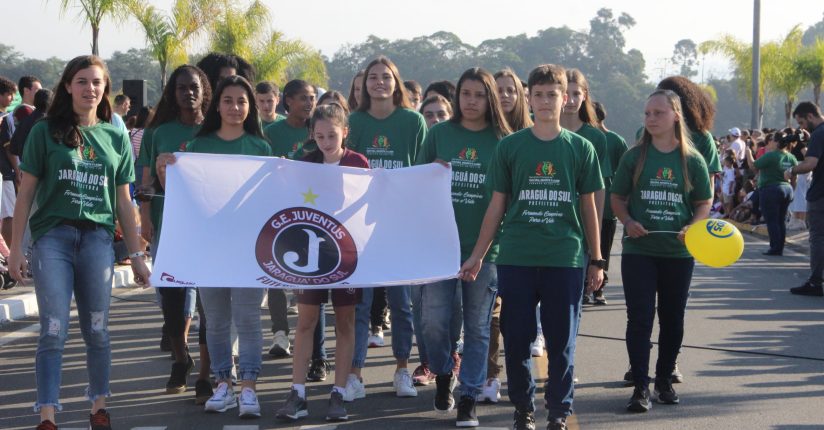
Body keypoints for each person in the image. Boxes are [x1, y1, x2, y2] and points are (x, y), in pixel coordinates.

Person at [7, 54, 151, 430]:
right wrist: (16, 248)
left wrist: (136, 254)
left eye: (97, 82)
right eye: (82, 81)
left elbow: (124, 200)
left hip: (97, 241)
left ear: (106, 89)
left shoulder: (115, 135)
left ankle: (98, 408)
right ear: (68, 86)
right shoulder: (44, 131)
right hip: (52, 239)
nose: (90, 88)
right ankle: (47, 415)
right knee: (53, 329)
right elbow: (25, 194)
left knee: (97, 329)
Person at [459, 64, 604, 430]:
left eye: (552, 95)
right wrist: (477, 255)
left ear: (566, 98)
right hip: (517, 257)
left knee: (561, 342)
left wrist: (597, 259)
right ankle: (523, 409)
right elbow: (496, 205)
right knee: (518, 340)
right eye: (538, 95)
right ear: (529, 98)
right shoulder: (510, 147)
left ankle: (558, 411)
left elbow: (589, 206)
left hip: (564, 257)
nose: (545, 101)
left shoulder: (581, 148)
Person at [157, 75, 272, 418]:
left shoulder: (261, 148)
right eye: (228, 100)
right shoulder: (197, 147)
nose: (235, 107)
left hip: (248, 250)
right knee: (217, 321)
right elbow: (181, 195)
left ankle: (249, 387)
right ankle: (223, 383)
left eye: (242, 101)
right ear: (217, 105)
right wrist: (165, 170)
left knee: (248, 319)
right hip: (209, 249)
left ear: (250, 107)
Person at [417, 67, 512, 427]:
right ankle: (444, 372)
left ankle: (469, 395)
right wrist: (431, 173)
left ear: (490, 99)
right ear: (457, 97)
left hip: (485, 251)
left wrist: (482, 252)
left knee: (478, 327)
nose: (471, 101)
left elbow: (505, 200)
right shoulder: (439, 134)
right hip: (437, 247)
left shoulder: (504, 140)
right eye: (466, 94)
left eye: (479, 95)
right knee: (433, 322)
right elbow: (414, 185)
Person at [611, 89, 712, 413]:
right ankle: (640, 386)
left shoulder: (692, 160)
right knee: (640, 318)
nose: (651, 119)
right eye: (647, 114)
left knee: (672, 319)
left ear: (675, 116)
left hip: (677, 254)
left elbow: (703, 202)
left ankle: (664, 379)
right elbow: (617, 198)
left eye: (658, 113)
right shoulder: (634, 157)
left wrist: (693, 226)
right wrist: (628, 221)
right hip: (639, 251)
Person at [275, 103, 368, 422]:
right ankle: (297, 393)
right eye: (319, 136)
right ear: (312, 135)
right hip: (310, 256)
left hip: (346, 255)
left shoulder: (357, 162)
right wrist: (282, 173)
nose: (326, 142)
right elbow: (289, 198)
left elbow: (370, 203)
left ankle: (338, 392)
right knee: (305, 322)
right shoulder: (306, 163)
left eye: (332, 135)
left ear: (345, 132)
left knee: (345, 323)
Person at [344, 55, 427, 401]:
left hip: (399, 228)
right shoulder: (354, 121)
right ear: (364, 85)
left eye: (386, 76)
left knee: (402, 305)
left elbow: (423, 172)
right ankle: (354, 375)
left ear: (396, 83)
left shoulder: (413, 121)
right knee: (360, 306)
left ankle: (402, 369)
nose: (379, 82)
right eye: (373, 77)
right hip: (359, 228)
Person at [138, 65, 213, 403]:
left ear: (204, 90)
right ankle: (181, 359)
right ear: (173, 93)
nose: (189, 93)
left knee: (209, 304)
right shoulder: (157, 133)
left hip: (208, 230)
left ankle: (206, 373)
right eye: (182, 88)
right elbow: (146, 183)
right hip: (168, 226)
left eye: (194, 87)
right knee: (170, 300)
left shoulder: (215, 131)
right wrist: (144, 217)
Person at [560, 69, 611, 309]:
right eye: (566, 93)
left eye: (576, 94)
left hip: (577, 232)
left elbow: (598, 192)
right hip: (541, 227)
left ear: (585, 96)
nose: (570, 100)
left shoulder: (595, 138)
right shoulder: (537, 129)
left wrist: (594, 239)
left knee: (570, 303)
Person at [589, 101, 629, 306]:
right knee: (592, 248)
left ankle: (598, 288)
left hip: (606, 206)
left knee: (602, 249)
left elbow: (626, 172)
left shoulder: (615, 141)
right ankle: (590, 289)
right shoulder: (586, 137)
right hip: (589, 204)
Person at [786, 102, 824, 296]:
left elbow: (810, 163)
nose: (801, 127)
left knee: (818, 237)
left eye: (801, 122)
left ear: (810, 116)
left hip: (820, 194)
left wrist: (791, 170)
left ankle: (816, 282)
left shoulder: (819, 134)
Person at [744, 130, 797, 256]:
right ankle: (780, 247)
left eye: (771, 140)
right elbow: (794, 177)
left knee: (772, 220)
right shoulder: (791, 157)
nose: (769, 142)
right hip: (787, 189)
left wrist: (748, 153)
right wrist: (792, 189)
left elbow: (753, 166)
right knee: (781, 220)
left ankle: (775, 248)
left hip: (771, 189)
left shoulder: (771, 155)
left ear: (777, 142)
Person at [264, 79, 316, 159]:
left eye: (312, 98)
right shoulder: (270, 132)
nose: (309, 103)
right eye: (303, 98)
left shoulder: (318, 133)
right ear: (288, 101)